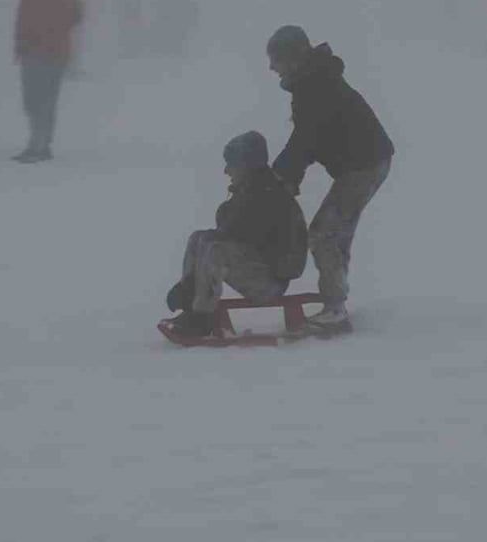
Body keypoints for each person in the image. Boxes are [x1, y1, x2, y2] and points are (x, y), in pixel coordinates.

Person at [266, 26, 394, 328]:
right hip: (363, 163)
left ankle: (335, 307)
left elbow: (305, 139)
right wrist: (285, 176)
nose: (272, 67)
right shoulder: (311, 82)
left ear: (294, 58)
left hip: (364, 166)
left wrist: (281, 177)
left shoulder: (316, 86)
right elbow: (309, 139)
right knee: (336, 233)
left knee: (324, 233)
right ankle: (337, 299)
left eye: (276, 59)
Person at [163, 132, 308, 338]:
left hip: (270, 284)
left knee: (216, 249)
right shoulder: (250, 192)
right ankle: (193, 304)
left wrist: (189, 284)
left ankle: (200, 318)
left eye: (230, 164)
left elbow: (234, 234)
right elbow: (231, 231)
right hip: (259, 272)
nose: (226, 170)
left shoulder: (267, 196)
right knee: (199, 238)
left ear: (245, 165)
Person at [13, 0, 82, 163]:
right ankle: (38, 143)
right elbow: (22, 20)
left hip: (51, 52)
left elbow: (75, 15)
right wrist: (20, 44)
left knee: (43, 99)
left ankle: (40, 145)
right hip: (34, 52)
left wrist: (49, 31)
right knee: (33, 100)